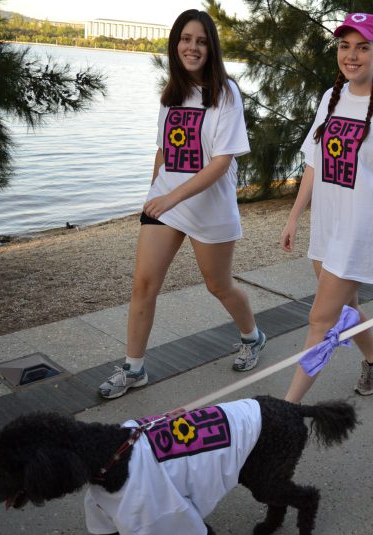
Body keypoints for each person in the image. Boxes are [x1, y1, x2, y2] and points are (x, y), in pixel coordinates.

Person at [99, 10, 266, 399]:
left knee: (218, 285)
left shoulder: (225, 93)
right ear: (176, 45)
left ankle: (253, 336)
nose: (193, 47)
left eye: (201, 41)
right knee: (144, 283)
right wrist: (153, 195)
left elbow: (221, 162)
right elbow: (163, 150)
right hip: (168, 202)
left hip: (209, 205)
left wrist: (172, 195)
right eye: (186, 39)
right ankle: (134, 368)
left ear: (211, 48)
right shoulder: (171, 93)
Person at [280, 12, 373, 403]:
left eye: (362, 47)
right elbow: (313, 162)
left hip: (362, 230)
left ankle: (286, 410)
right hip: (328, 226)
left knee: (319, 321)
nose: (351, 55)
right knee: (346, 306)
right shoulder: (330, 96)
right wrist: (294, 217)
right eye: (344, 46)